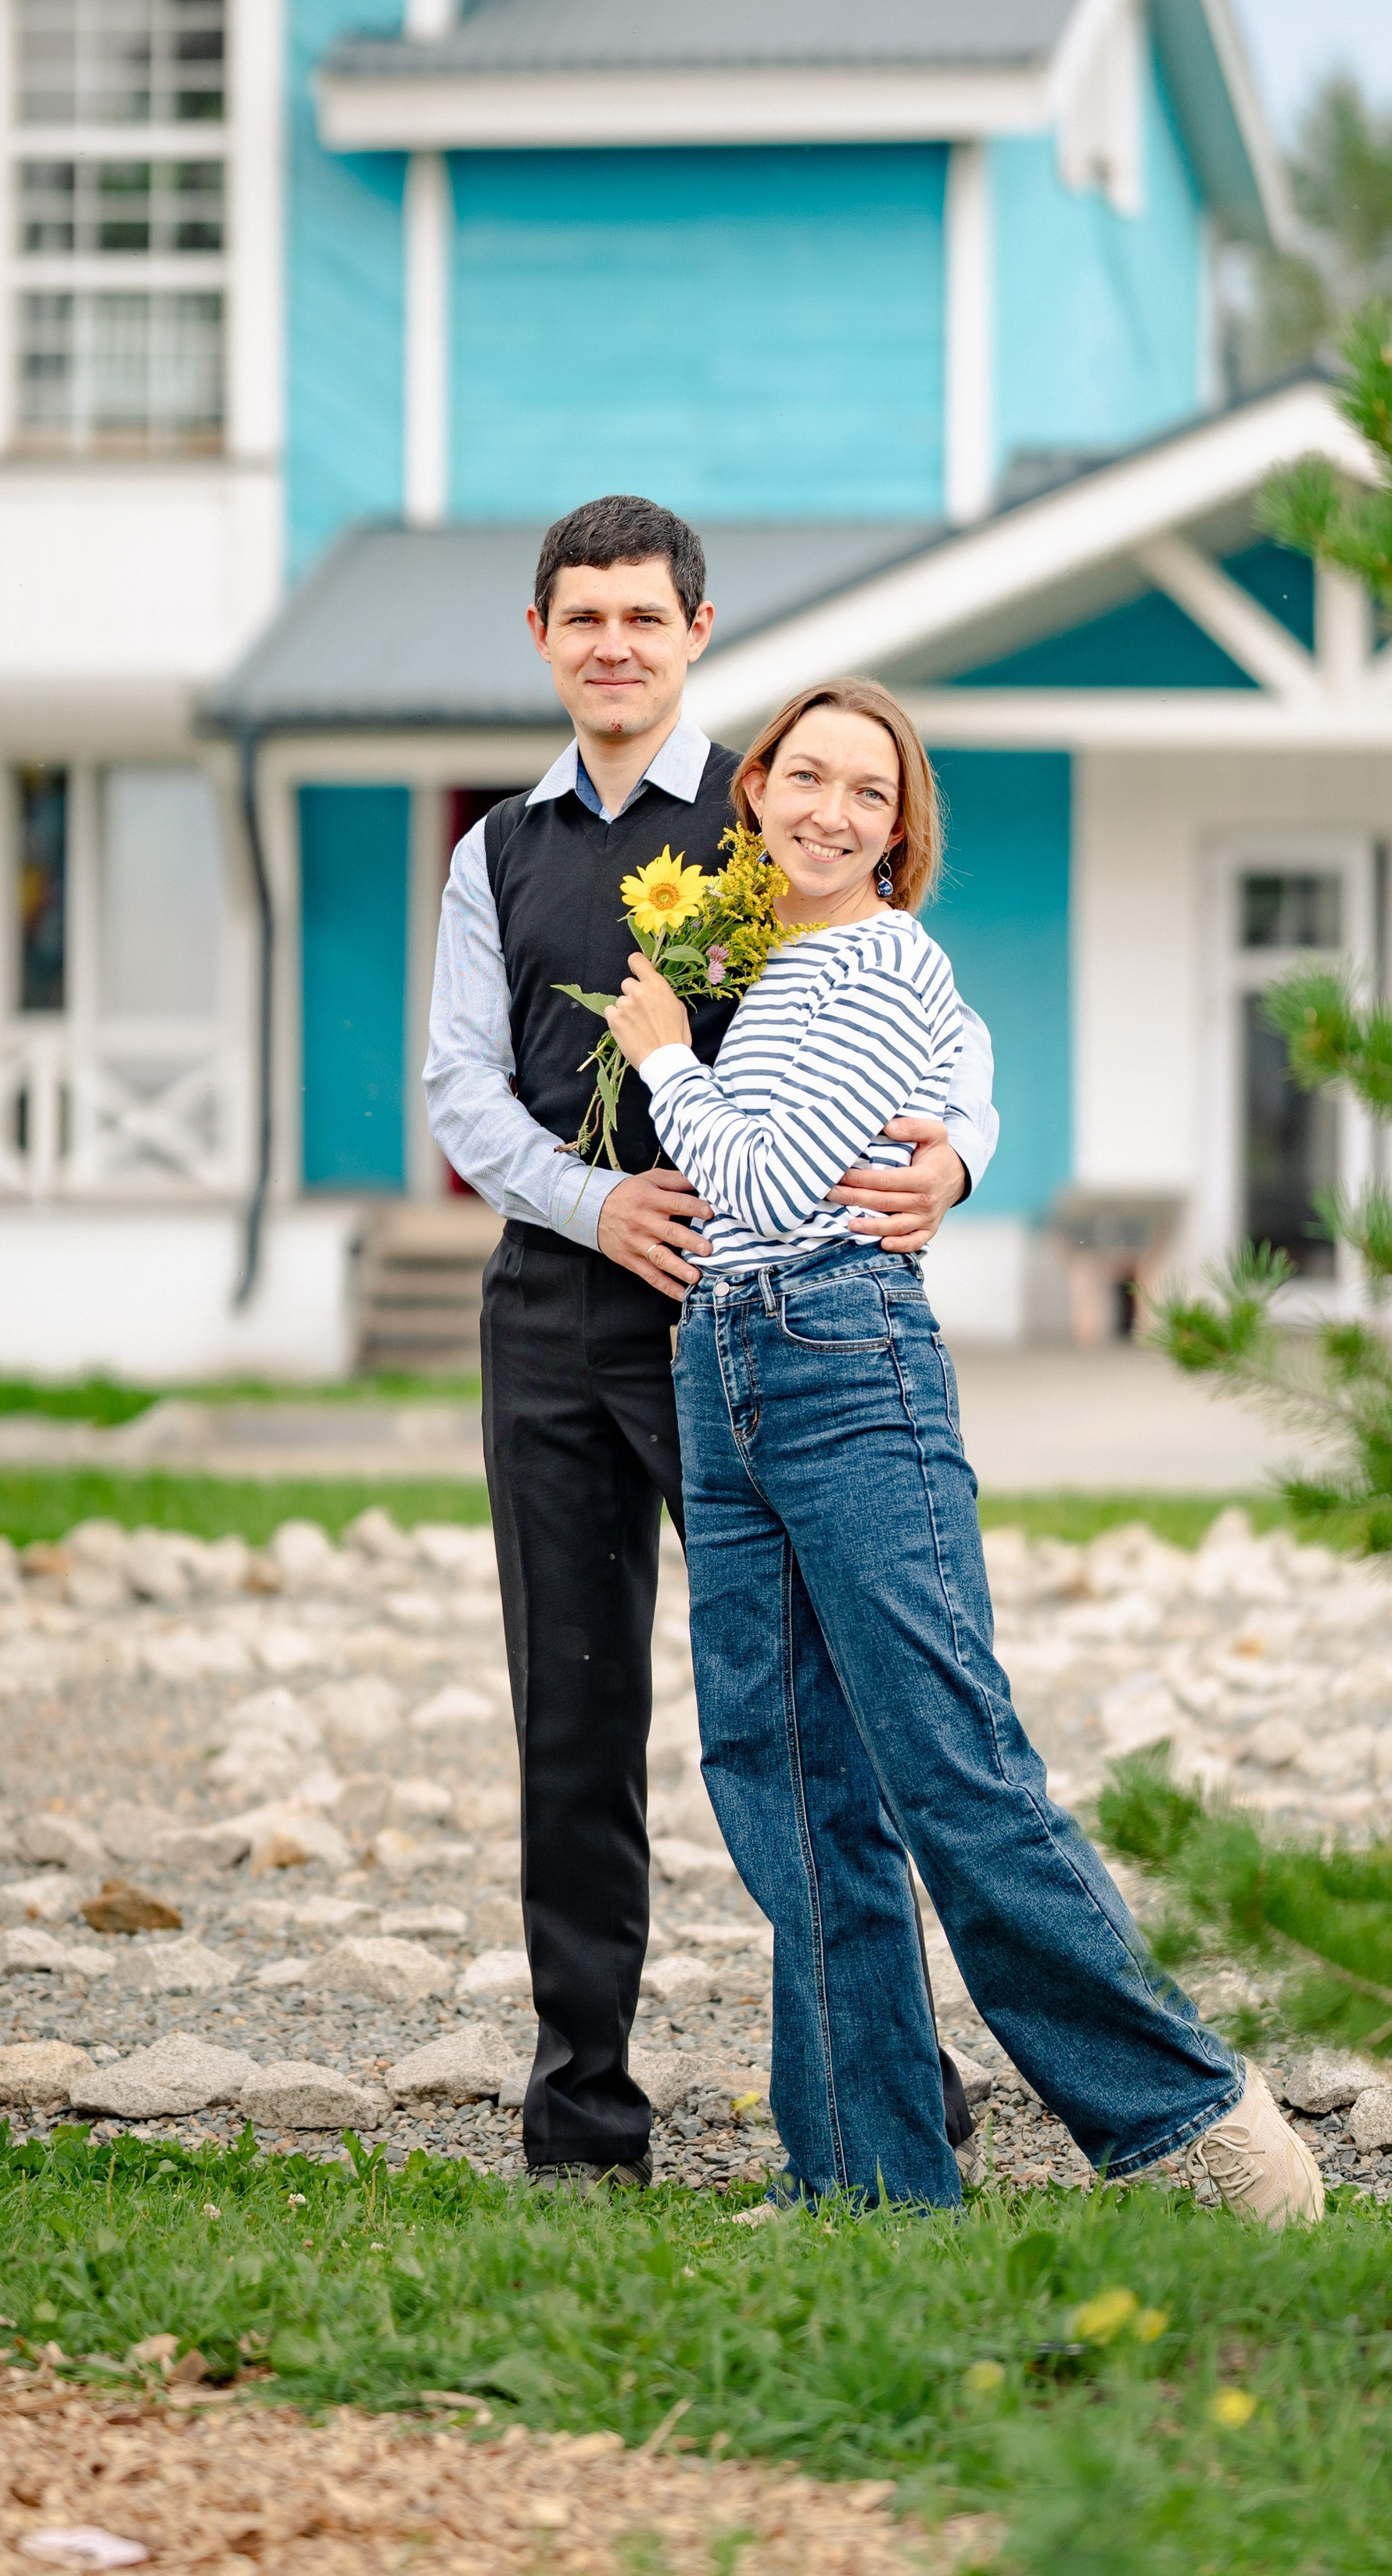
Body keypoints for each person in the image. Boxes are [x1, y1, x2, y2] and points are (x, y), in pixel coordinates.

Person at [606, 676, 1325, 2221]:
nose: (829, 809)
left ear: (899, 826)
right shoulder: (751, 953)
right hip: (717, 1358)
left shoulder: (869, 957)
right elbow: (961, 1055)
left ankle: (1195, 2125)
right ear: (755, 793)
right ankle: (872, 2180)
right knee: (783, 1771)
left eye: (867, 792)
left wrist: (666, 1058)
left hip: (838, 1350)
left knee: (947, 1758)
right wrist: (961, 1123)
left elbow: (771, 1178)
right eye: (803, 776)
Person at [422, 496, 1001, 2187]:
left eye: (643, 616)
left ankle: (892, 2084)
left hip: (742, 1323)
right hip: (548, 1310)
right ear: (541, 634)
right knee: (571, 1715)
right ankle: (583, 2109)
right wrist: (587, 1205)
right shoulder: (491, 852)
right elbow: (462, 1083)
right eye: (580, 615)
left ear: (695, 632)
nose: (613, 641)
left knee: (815, 1712)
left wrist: (957, 1154)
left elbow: (935, 1017)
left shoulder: (776, 816)